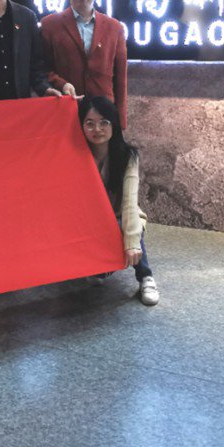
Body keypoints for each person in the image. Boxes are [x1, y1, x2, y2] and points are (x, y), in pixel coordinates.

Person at [79, 96, 158, 305]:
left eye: (104, 122)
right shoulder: (76, 156)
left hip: (121, 214)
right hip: (90, 220)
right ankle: (100, 269)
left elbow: (130, 203)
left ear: (113, 124)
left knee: (129, 228)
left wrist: (132, 244)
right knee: (96, 274)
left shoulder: (127, 156)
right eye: (89, 123)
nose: (97, 129)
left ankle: (146, 278)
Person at [41, 0, 129, 128]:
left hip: (104, 115)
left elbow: (120, 79)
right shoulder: (50, 25)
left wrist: (120, 122)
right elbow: (43, 69)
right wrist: (61, 84)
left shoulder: (115, 27)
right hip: (65, 111)